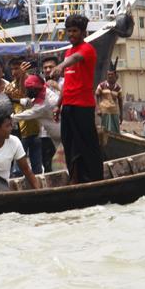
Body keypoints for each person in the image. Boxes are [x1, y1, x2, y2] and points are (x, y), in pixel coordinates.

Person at [50, 14, 103, 183]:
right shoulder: (68, 51)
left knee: (87, 145)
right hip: (68, 106)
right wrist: (58, 105)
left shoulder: (87, 49)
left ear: (82, 32)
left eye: (74, 31)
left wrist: (60, 65)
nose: (71, 34)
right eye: (69, 31)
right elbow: (67, 83)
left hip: (83, 106)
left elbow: (76, 58)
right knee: (70, 145)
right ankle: (76, 178)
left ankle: (95, 179)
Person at [12, 73, 61, 172]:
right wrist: (14, 100)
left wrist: (9, 118)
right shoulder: (45, 91)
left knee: (60, 166)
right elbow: (31, 102)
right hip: (56, 135)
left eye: (29, 89)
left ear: (35, 89)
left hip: (61, 135)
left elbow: (27, 114)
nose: (27, 91)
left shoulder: (44, 105)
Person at [5, 58, 43, 174]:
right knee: (18, 168)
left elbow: (26, 95)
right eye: (12, 69)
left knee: (37, 166)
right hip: (20, 130)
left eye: (17, 69)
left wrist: (23, 76)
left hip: (36, 128)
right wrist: (21, 76)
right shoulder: (9, 87)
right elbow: (22, 95)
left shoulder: (34, 83)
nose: (14, 72)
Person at [95, 64, 123, 133]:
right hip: (104, 111)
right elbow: (96, 96)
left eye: (111, 75)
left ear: (115, 77)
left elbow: (120, 101)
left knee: (115, 131)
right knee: (105, 130)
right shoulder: (102, 85)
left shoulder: (118, 88)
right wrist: (98, 108)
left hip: (114, 112)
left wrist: (121, 115)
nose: (110, 76)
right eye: (108, 75)